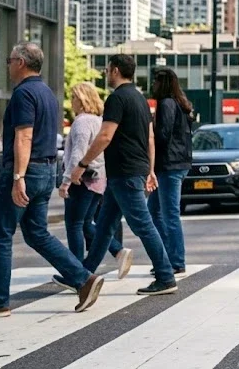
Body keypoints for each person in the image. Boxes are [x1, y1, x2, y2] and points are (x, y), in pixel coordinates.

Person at [0, 43, 103, 318]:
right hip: (46, 169)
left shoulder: (23, 93)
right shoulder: (47, 93)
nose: (7, 65)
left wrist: (18, 177)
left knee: (0, 234)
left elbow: (24, 137)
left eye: (9, 60)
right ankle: (83, 278)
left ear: (21, 63)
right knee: (37, 233)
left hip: (27, 170)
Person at [70, 54, 177, 296]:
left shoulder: (117, 98)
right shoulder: (140, 98)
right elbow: (149, 137)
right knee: (105, 225)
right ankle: (83, 274)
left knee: (143, 225)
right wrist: (149, 169)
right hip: (130, 170)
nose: (106, 73)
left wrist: (82, 164)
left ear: (115, 70)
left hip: (125, 172)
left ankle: (165, 275)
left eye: (107, 69)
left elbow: (105, 135)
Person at [58, 82, 132, 279]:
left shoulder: (82, 122)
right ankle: (117, 250)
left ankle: (75, 271)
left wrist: (66, 181)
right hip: (98, 180)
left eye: (73, 98)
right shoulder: (99, 121)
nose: (71, 102)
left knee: (74, 224)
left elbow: (77, 154)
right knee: (85, 223)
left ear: (82, 100)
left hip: (81, 180)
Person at [148, 68, 192, 277]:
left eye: (155, 81)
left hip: (169, 166)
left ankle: (175, 261)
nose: (152, 85)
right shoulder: (179, 103)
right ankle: (167, 259)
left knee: (168, 215)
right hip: (176, 165)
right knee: (155, 211)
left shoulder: (166, 104)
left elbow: (162, 136)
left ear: (162, 83)